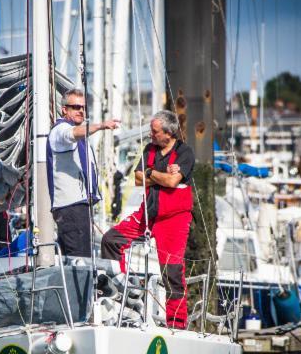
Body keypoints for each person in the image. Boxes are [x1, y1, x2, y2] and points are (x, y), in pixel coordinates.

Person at [101, 111, 194, 329]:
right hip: (148, 213)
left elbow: (172, 183)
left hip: (174, 219)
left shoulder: (185, 152)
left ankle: (176, 323)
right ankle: (121, 298)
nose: (151, 134)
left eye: (155, 131)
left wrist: (151, 174)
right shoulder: (149, 149)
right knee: (110, 240)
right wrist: (157, 173)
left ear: (169, 133)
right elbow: (138, 178)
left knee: (171, 272)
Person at [46, 88, 119, 257]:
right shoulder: (60, 130)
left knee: (75, 258)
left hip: (77, 206)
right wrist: (101, 126)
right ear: (64, 109)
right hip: (71, 206)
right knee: (81, 258)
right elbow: (72, 133)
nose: (80, 111)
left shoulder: (78, 134)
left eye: (83, 107)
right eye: (75, 107)